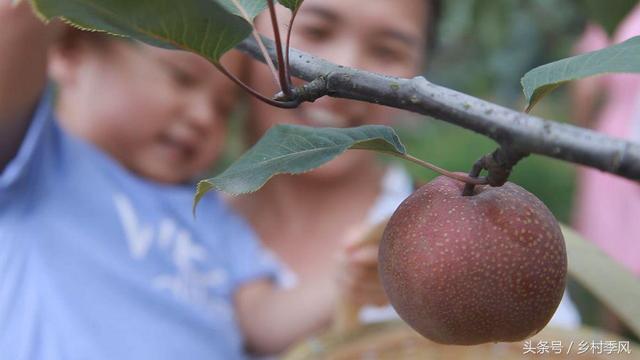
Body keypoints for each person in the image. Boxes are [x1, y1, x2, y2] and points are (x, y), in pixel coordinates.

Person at [0, 2, 358, 358]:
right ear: (70, 54)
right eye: (181, 77)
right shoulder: (37, 163)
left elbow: (262, 322)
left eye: (224, 109)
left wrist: (347, 277)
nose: (204, 117)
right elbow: (17, 18)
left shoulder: (211, 214)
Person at [234, 0, 581, 332]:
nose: (343, 66)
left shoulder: (480, 237)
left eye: (387, 51)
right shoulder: (188, 223)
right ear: (247, 35)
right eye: (317, 31)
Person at [571, 4, 640, 336]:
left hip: (611, 146)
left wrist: (579, 137)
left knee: (613, 254)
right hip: (624, 145)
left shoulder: (618, 23)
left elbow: (585, 90)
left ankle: (614, 340)